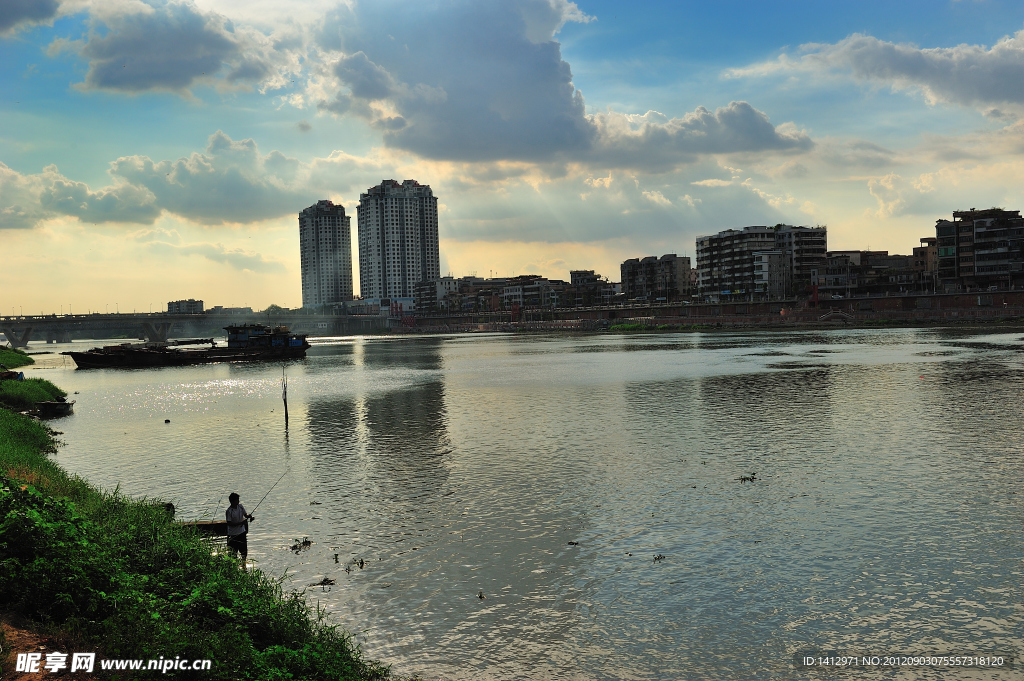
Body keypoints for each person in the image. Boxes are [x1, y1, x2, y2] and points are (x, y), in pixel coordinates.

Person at [225, 492, 253, 569]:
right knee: (232, 554)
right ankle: (233, 569)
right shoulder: (229, 511)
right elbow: (229, 523)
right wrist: (241, 522)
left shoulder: (240, 507)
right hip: (233, 535)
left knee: (244, 552)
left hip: (242, 533)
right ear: (232, 501)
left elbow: (245, 514)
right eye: (237, 500)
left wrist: (249, 516)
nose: (238, 501)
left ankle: (244, 567)